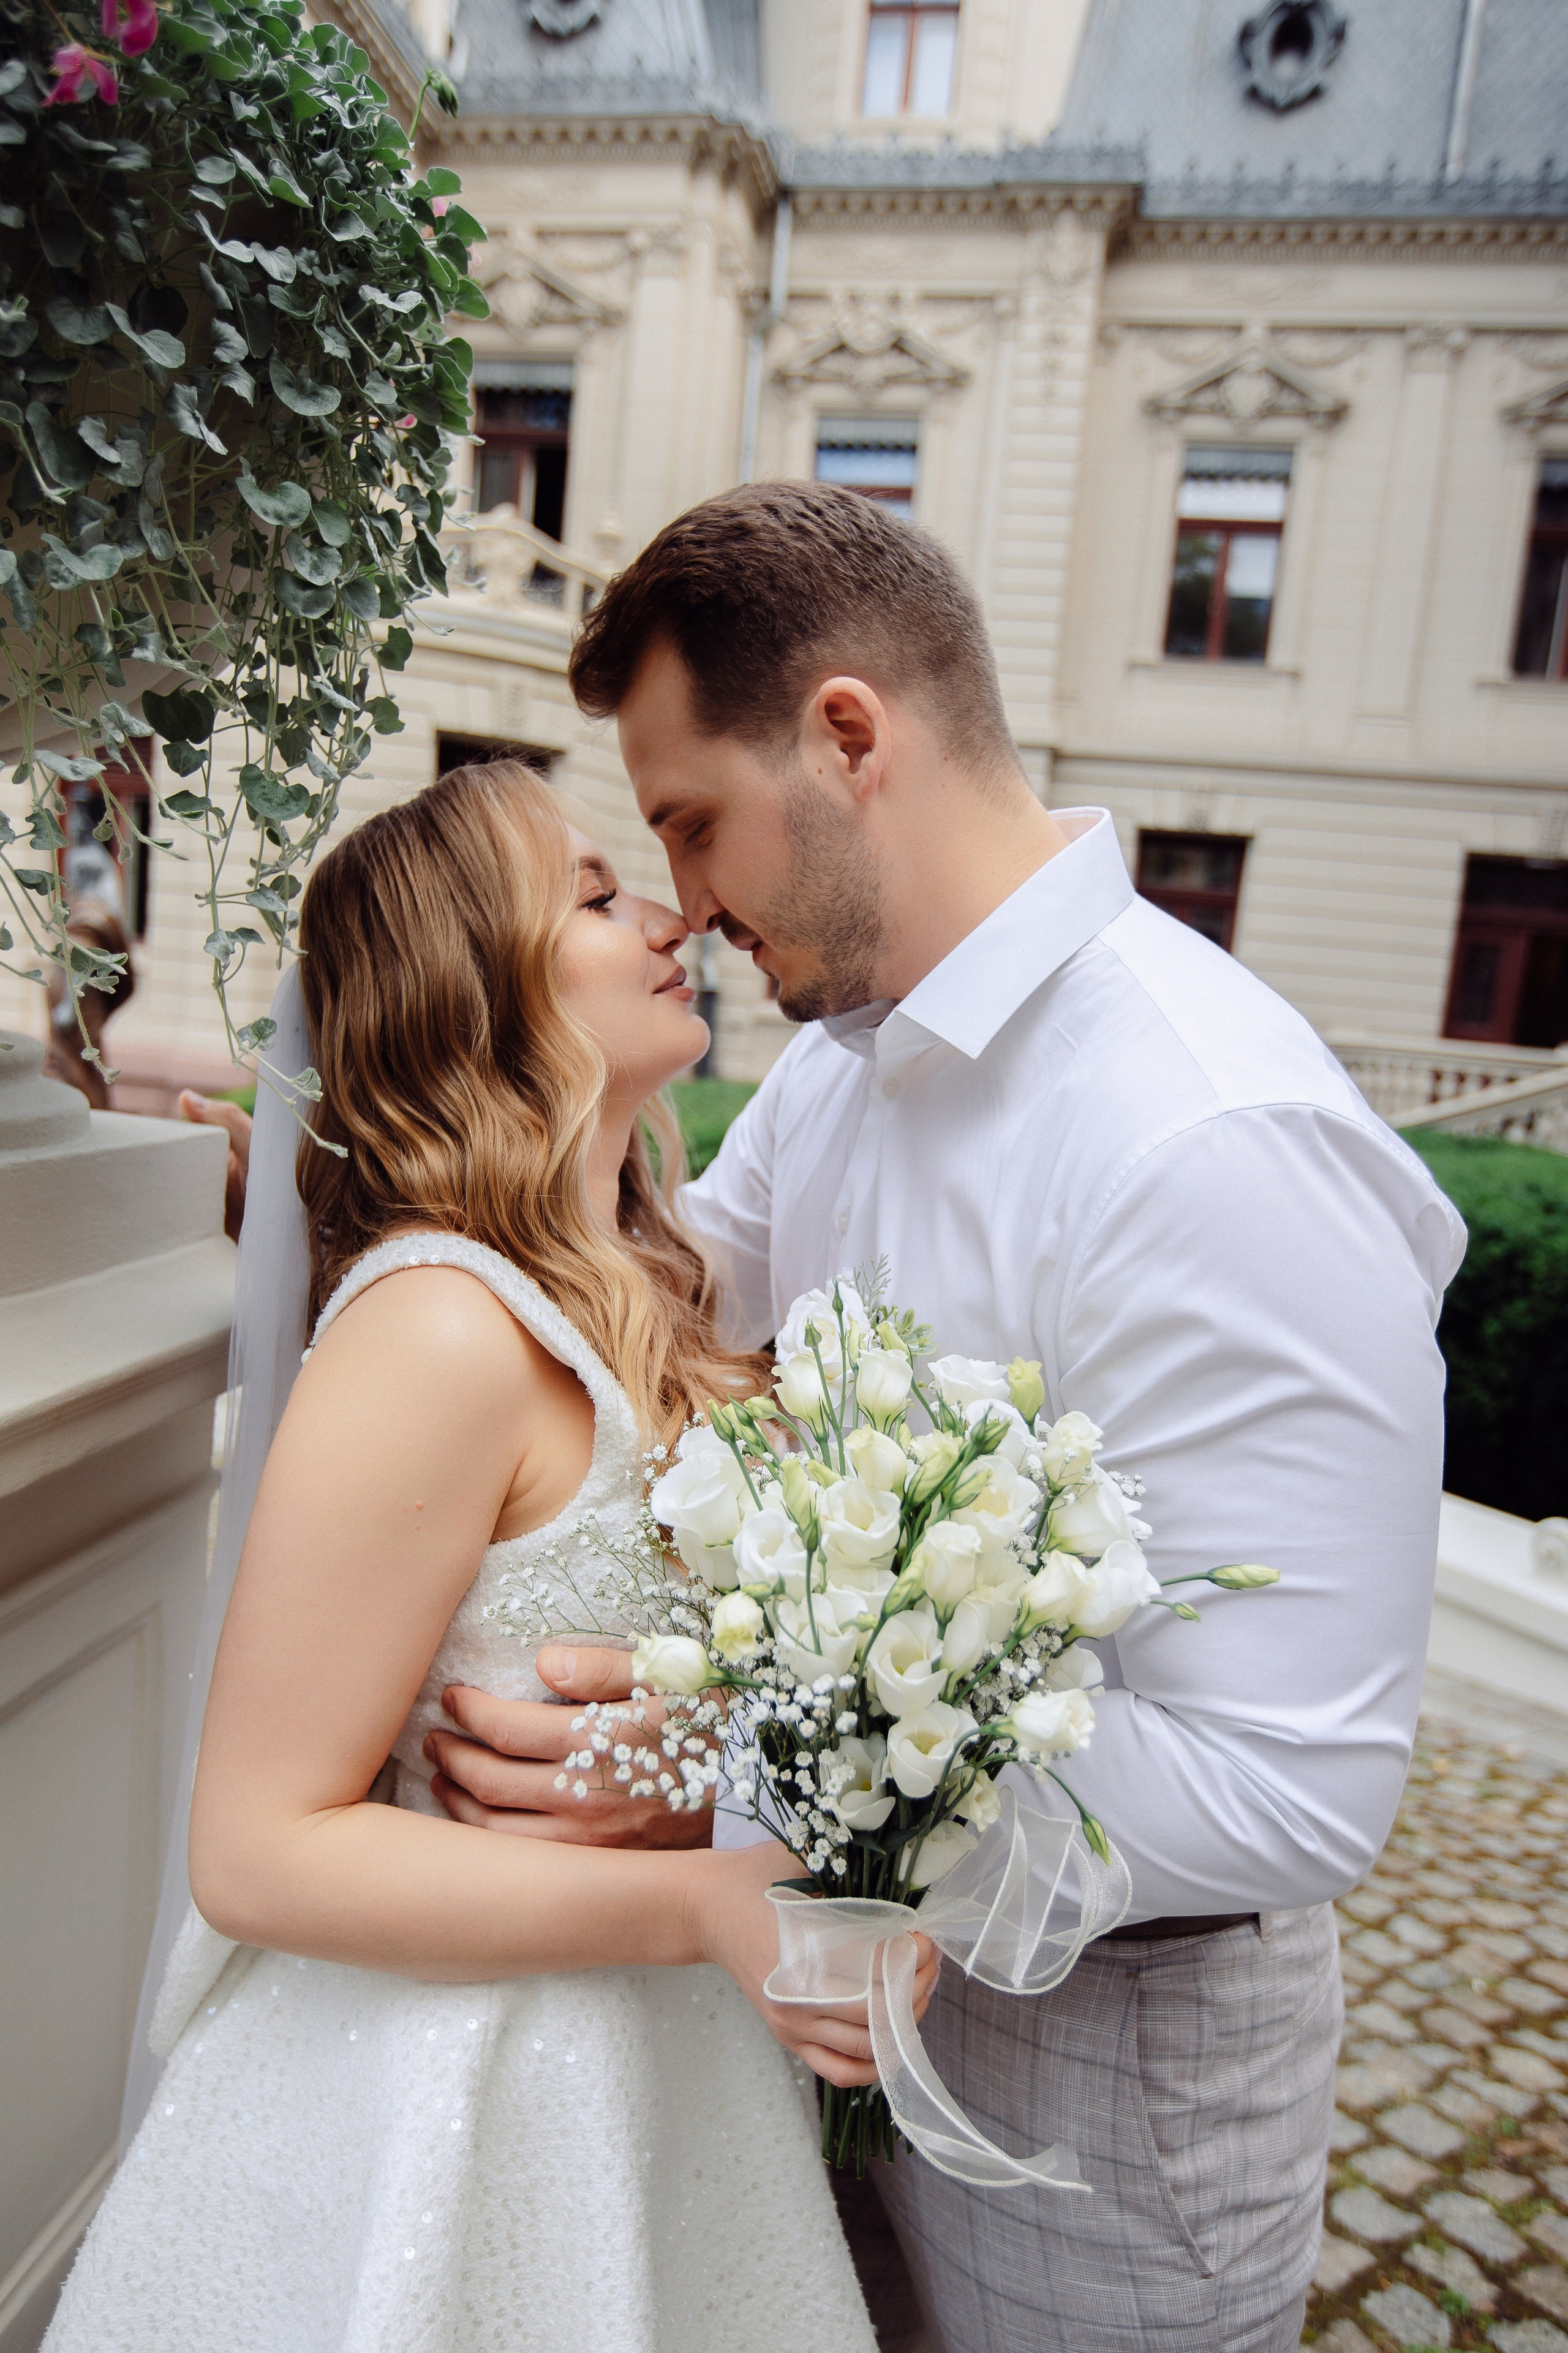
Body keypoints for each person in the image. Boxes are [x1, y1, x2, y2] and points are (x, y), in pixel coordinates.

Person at [423, 483, 1465, 2353]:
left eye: (692, 822)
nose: (683, 902)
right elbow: (660, 1308)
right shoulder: (842, 1061)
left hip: (1099, 2084)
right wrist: (364, 1180)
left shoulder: (1212, 1135)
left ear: (847, 736)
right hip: (794, 2022)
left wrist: (724, 1778)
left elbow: (1294, 1782)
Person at [45, 758, 938, 2353]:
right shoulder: (442, 1331)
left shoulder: (654, 1299)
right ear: (478, 992)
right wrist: (709, 1906)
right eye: (595, 895)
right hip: (440, 2103)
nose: (666, 917)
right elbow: (255, 1850)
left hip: (656, 2092)